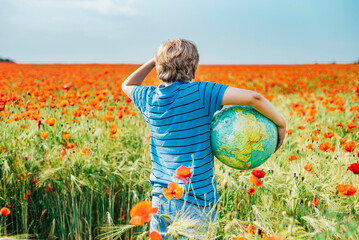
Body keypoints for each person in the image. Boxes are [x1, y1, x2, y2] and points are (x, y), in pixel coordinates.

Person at [121, 39, 286, 239]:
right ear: (193, 70)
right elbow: (255, 99)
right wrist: (281, 124)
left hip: (161, 200)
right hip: (197, 201)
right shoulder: (201, 93)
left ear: (158, 68)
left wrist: (153, 61)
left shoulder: (148, 97)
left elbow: (127, 84)